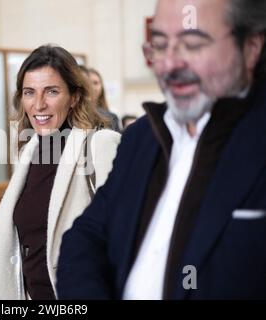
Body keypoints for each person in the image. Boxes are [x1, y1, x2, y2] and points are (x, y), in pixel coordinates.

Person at [57, 0, 266, 300]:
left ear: (250, 48)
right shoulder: (142, 137)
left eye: (192, 44)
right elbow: (87, 236)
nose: (170, 64)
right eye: (159, 44)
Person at [0, 45, 120, 300]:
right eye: (29, 92)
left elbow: (127, 235)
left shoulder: (100, 145)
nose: (39, 104)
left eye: (51, 92)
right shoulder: (29, 151)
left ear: (74, 97)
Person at [88, 68, 121, 132]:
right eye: (88, 83)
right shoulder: (77, 115)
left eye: (95, 83)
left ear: (101, 86)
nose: (92, 87)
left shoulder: (112, 117)